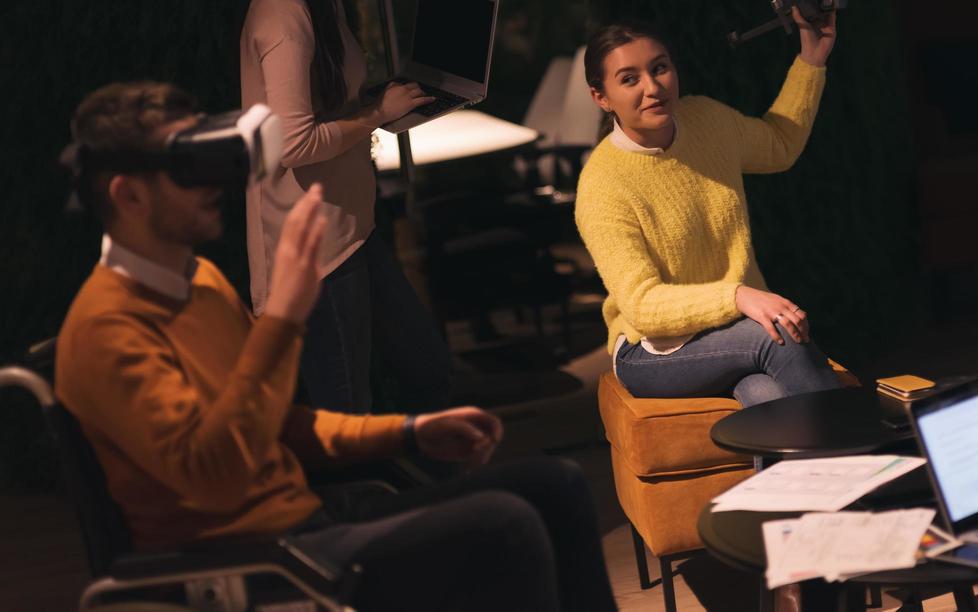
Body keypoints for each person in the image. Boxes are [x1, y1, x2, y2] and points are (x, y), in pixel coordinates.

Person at [56, 81, 616, 612]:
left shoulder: (198, 280)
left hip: (308, 524)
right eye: (186, 167)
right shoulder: (107, 328)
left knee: (555, 485)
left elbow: (278, 425)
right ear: (127, 195)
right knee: (503, 526)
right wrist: (282, 319)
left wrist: (407, 431)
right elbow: (215, 473)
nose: (213, 181)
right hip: (247, 562)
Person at [242, 0, 449, 413]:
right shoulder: (284, 10)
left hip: (349, 232)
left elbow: (334, 109)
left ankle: (429, 499)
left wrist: (393, 103)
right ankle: (371, 505)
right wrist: (377, 116)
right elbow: (296, 144)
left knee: (427, 372)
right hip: (313, 253)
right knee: (345, 413)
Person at [574, 10, 843, 406]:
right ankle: (856, 452)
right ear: (601, 97)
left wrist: (811, 59)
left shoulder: (705, 120)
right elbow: (643, 305)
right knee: (778, 335)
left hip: (730, 330)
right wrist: (736, 296)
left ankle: (801, 465)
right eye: (629, 79)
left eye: (659, 68)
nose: (652, 87)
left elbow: (780, 144)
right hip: (651, 350)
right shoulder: (603, 185)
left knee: (766, 397)